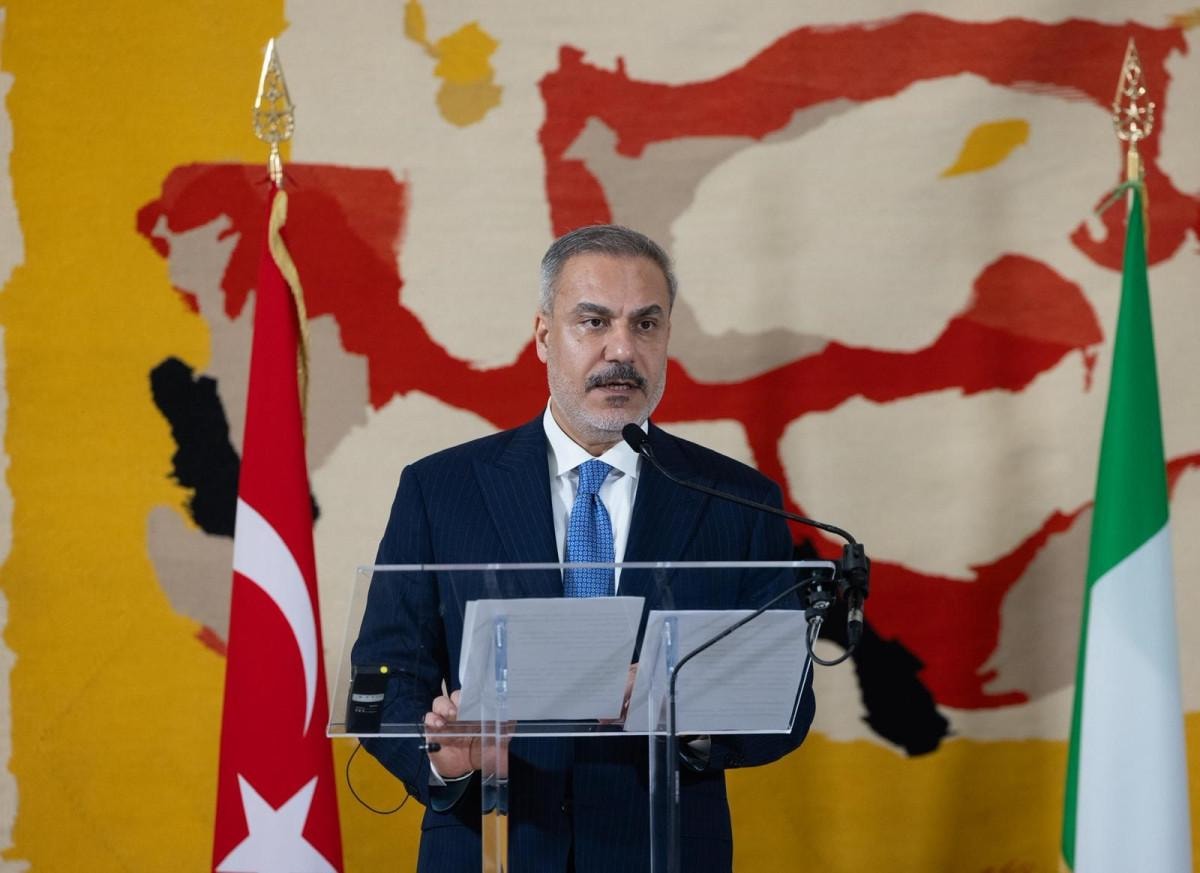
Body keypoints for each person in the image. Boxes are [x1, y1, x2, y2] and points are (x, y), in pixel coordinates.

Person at [353, 224, 814, 872]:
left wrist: (676, 703)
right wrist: (442, 757)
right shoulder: (440, 490)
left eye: (645, 324)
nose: (621, 350)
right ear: (545, 335)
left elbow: (788, 702)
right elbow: (383, 679)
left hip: (663, 852)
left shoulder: (739, 501)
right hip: (489, 845)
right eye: (593, 321)